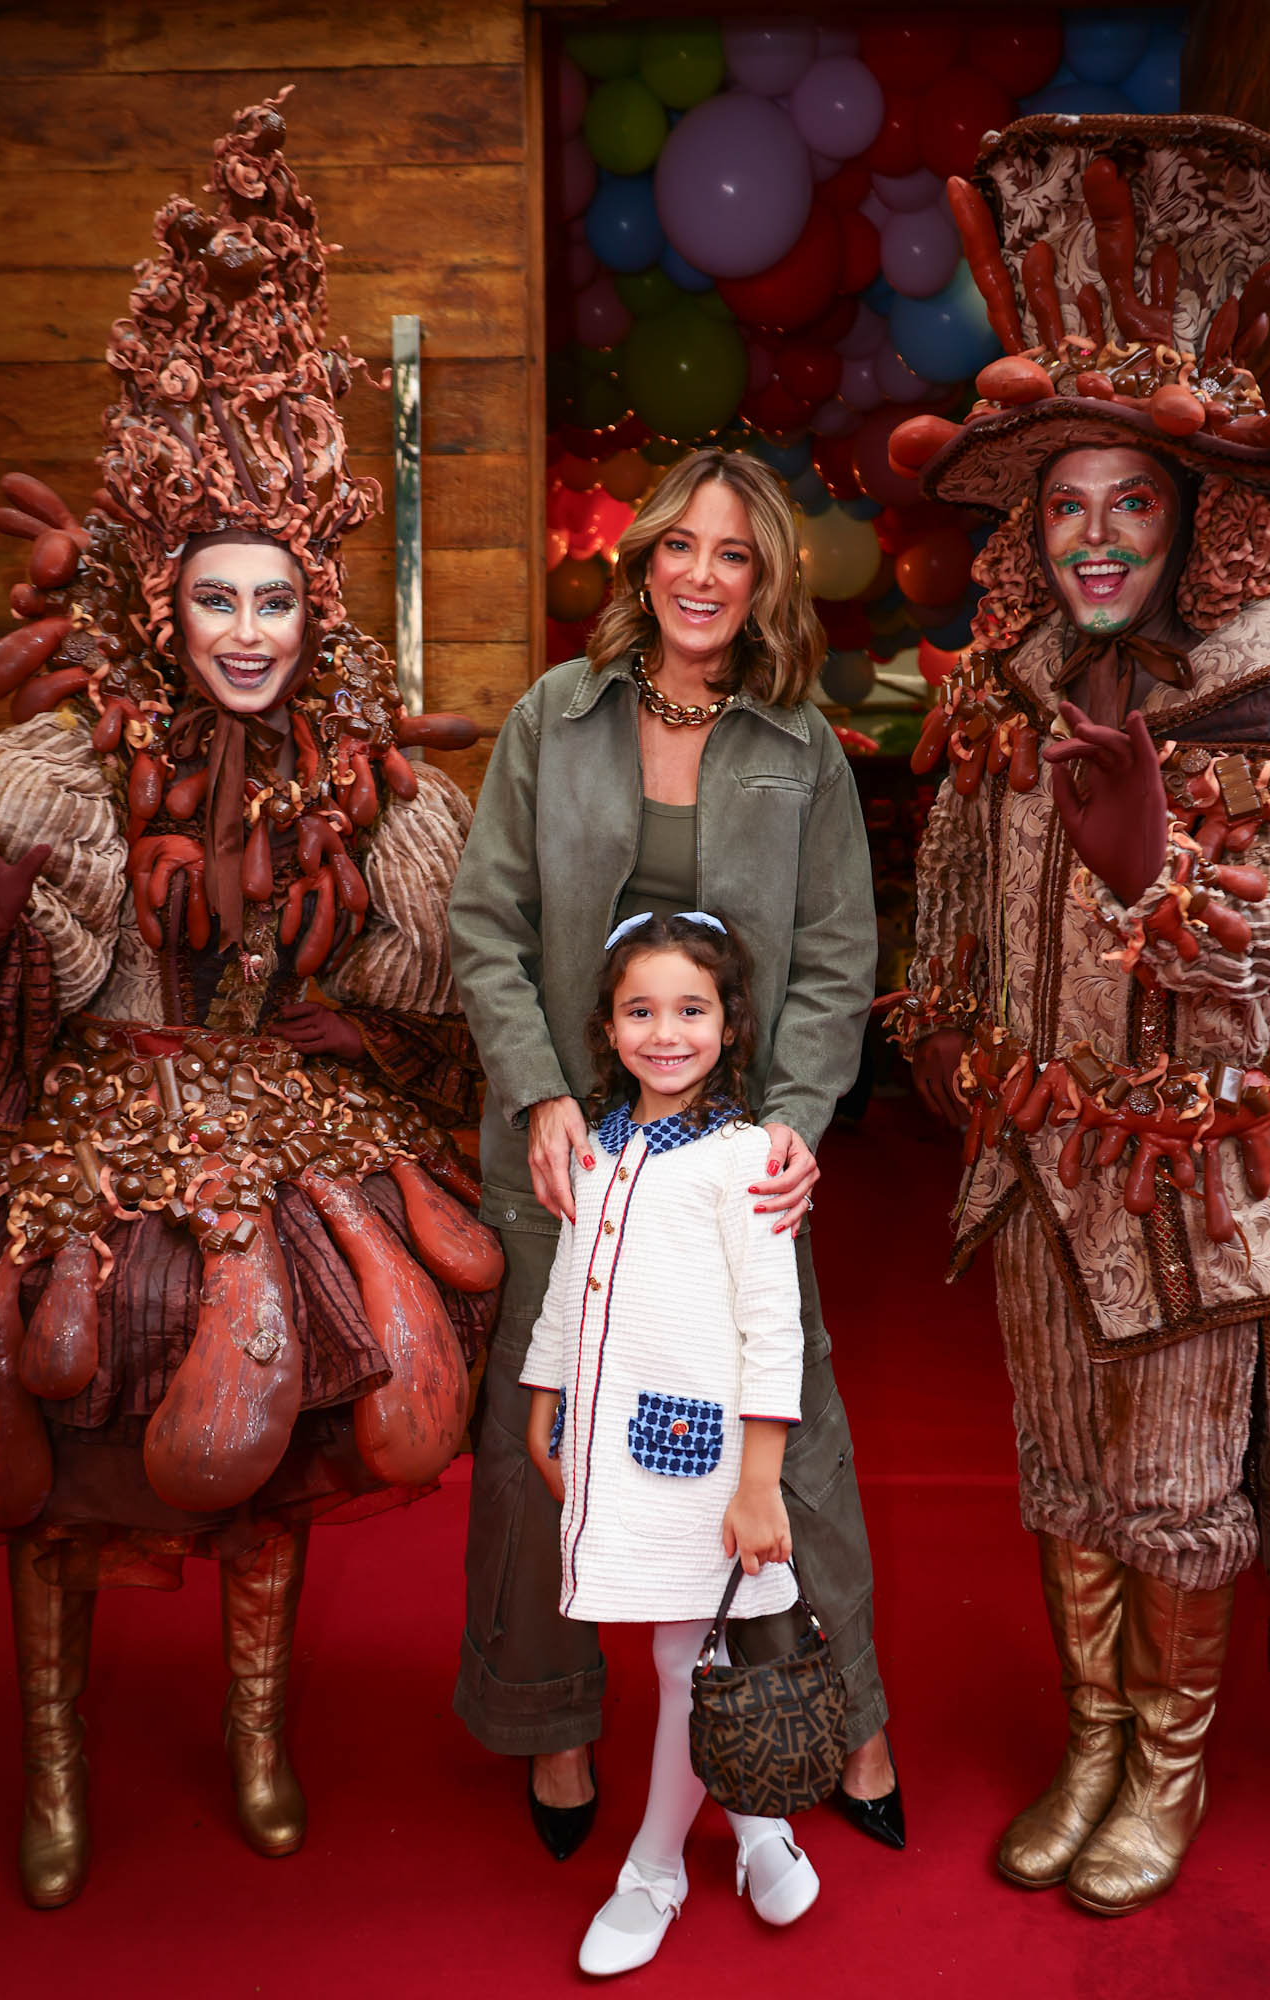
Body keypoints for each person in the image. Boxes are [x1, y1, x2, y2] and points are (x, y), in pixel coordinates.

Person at [0, 94, 501, 1907]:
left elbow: (433, 965)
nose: (250, 631)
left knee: (279, 1452)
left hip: (284, 1128)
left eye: (277, 599)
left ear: (306, 605)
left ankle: (259, 1734)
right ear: (168, 606)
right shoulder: (50, 766)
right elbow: (22, 966)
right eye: (218, 601)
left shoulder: (365, 788)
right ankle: (55, 1764)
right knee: (62, 1465)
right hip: (99, 1135)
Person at [888, 112, 1270, 1916]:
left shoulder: (1257, 708)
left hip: (1186, 1182)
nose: (1095, 539)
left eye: (1133, 503)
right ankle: (1089, 1734)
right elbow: (952, 900)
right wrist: (942, 1026)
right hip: (1034, 1158)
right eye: (1066, 504)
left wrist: (1147, 874)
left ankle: (1162, 1772)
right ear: (1033, 524)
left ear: (1194, 522)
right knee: (1058, 1477)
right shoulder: (1007, 695)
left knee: (1173, 1485)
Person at [449, 446, 900, 1856]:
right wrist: (536, 1093)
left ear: (765, 581)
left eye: (735, 555)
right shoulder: (553, 718)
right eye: (680, 548)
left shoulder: (799, 743)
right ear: (640, 561)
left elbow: (837, 956)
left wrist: (796, 1122)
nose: (703, 577)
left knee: (794, 1426)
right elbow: (485, 925)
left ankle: (846, 1717)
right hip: (568, 1145)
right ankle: (552, 1718)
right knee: (547, 1426)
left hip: (735, 1145)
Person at [522, 911, 820, 1975]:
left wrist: (759, 1481)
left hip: (711, 1460)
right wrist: (544, 1389)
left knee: (684, 1655)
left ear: (727, 1023)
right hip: (616, 1445)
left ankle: (654, 1865)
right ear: (607, 1025)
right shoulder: (594, 1149)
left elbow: (769, 1330)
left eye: (689, 1009)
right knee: (690, 1651)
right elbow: (569, 1282)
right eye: (640, 1009)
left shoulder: (750, 1161)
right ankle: (752, 1824)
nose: (665, 1032)